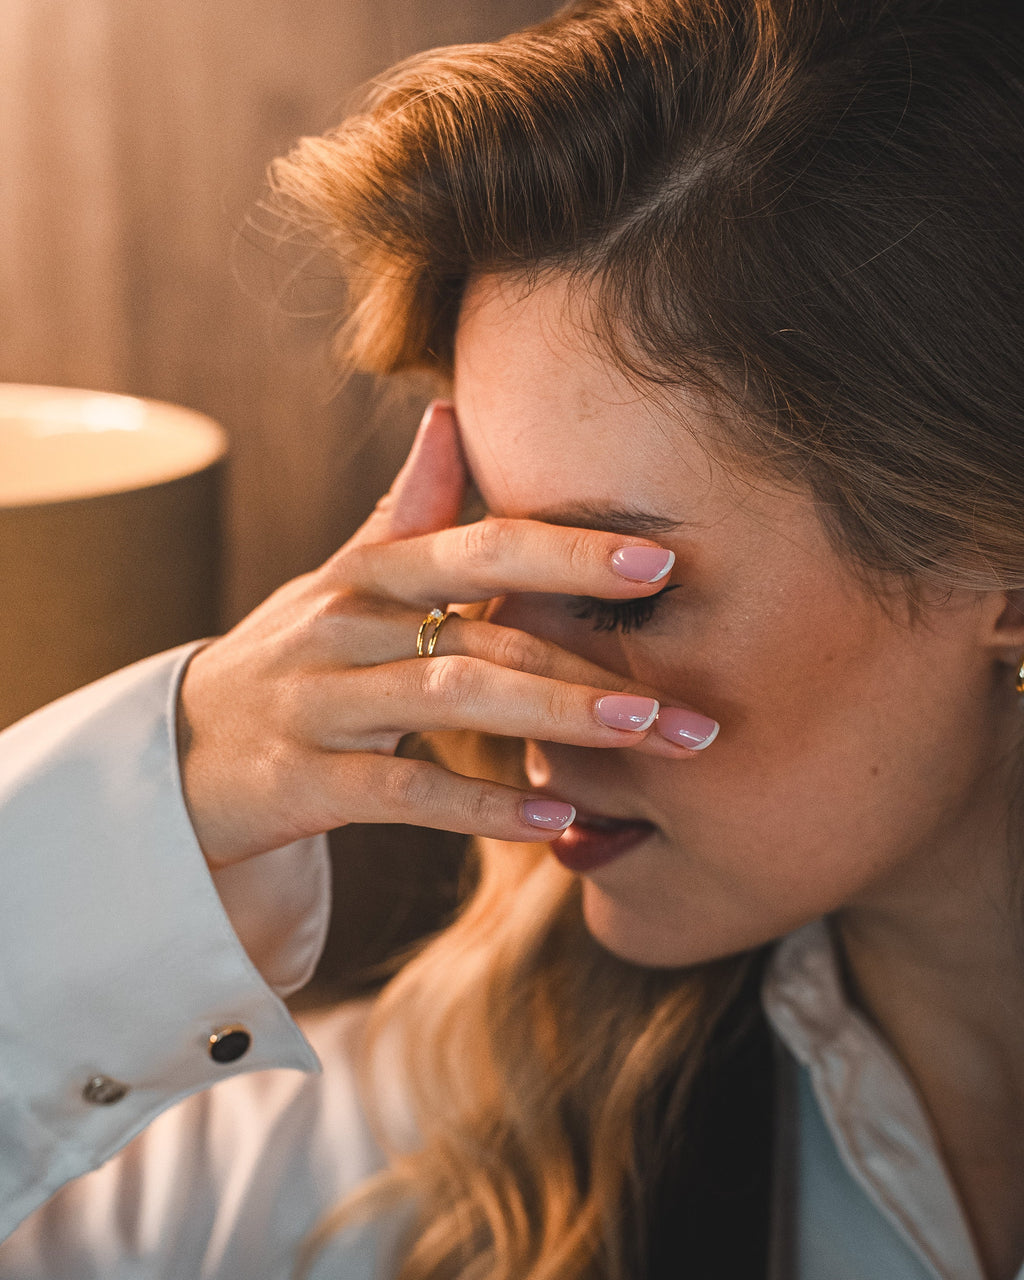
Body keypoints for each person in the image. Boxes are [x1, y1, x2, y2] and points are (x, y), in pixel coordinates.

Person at [1, 0, 1023, 1276]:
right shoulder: (432, 1143)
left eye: (613, 585)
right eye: (483, 551)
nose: (478, 685)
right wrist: (168, 787)